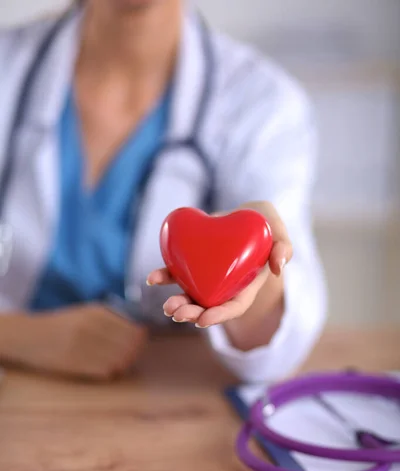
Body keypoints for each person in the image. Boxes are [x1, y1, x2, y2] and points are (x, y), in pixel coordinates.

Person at [0, 0, 327, 383]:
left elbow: (275, 350)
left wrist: (252, 261)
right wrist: (20, 336)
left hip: (172, 396)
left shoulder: (263, 103)